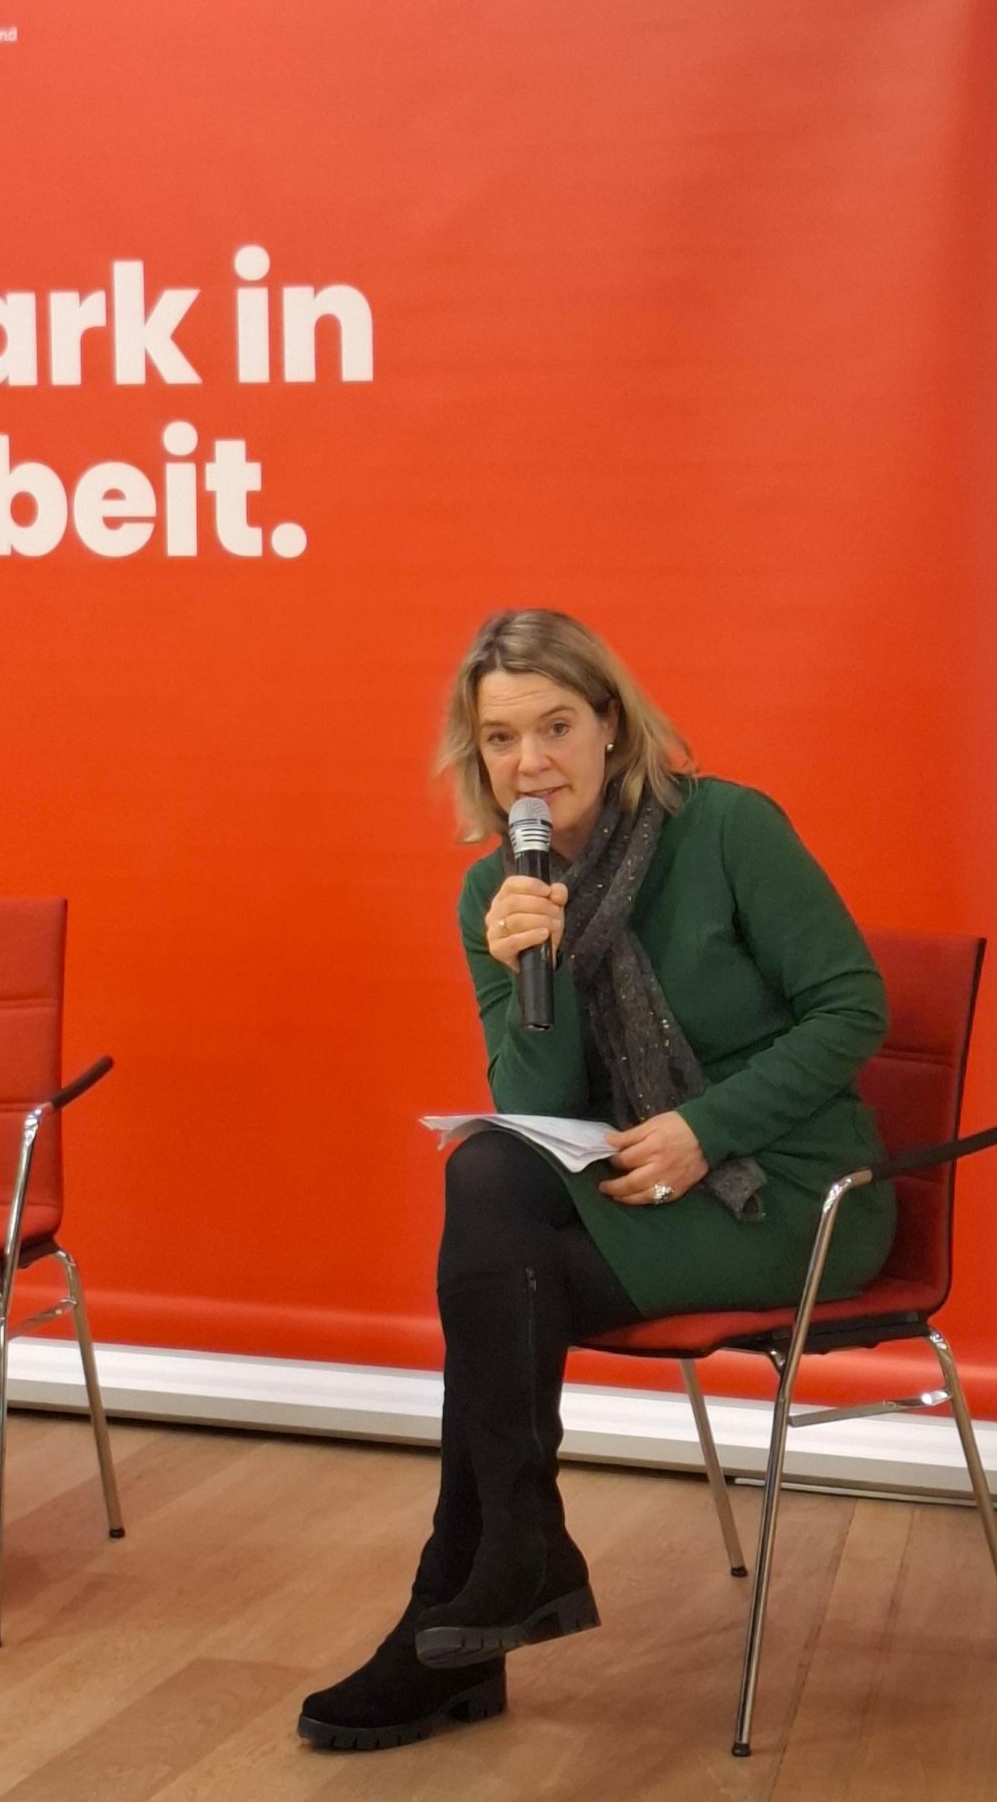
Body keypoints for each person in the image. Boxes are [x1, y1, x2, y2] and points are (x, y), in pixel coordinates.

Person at [297, 608, 892, 1752]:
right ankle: (504, 1560)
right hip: (624, 1185)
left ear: (612, 724)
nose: (533, 764)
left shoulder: (726, 827)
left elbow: (852, 1006)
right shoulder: (496, 897)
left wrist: (704, 1129)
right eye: (503, 739)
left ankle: (457, 1602)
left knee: (498, 1283)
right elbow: (539, 1116)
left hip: (794, 1194)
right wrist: (540, 966)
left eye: (558, 725)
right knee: (489, 1181)